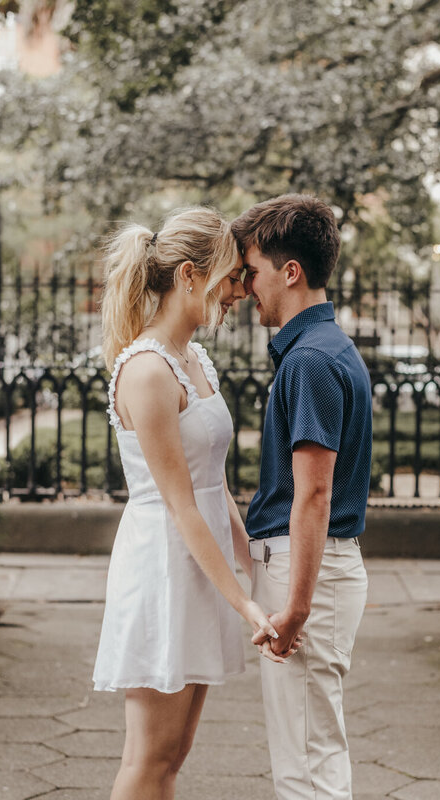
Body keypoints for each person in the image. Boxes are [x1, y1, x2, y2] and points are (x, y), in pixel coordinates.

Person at [92, 207, 297, 800]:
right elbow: (181, 504)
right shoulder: (149, 371)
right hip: (164, 567)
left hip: (200, 566)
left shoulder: (195, 360)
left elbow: (215, 487)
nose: (239, 290)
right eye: (230, 276)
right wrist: (244, 605)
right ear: (189, 275)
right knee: (150, 757)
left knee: (174, 754)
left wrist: (255, 564)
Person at [231, 194, 372, 799]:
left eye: (253, 271)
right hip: (307, 566)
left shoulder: (311, 360)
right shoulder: (320, 350)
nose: (246, 287)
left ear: (291, 272)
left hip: (306, 568)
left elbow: (314, 494)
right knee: (306, 755)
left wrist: (296, 606)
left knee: (308, 766)